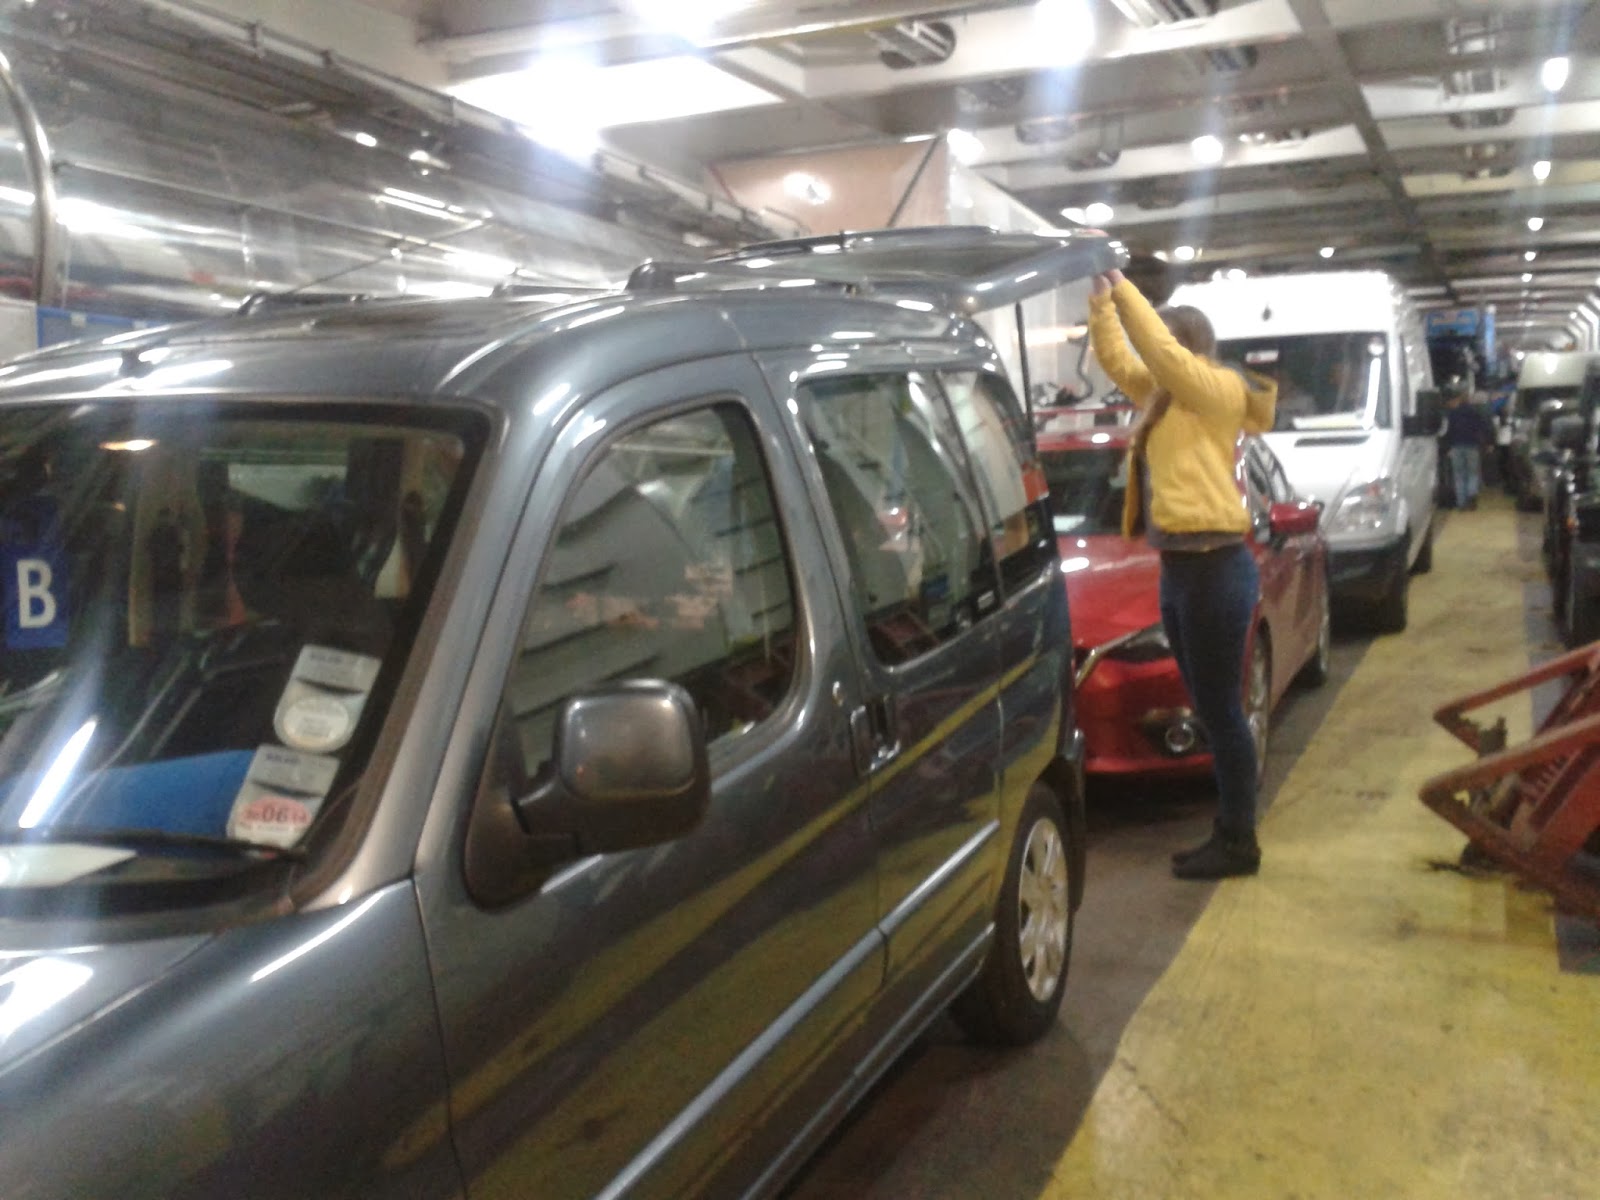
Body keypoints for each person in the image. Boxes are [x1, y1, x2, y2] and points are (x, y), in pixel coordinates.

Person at [1088, 268, 1277, 879]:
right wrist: (1101, 301)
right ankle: (1229, 829)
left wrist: (1124, 289)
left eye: (1166, 341)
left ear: (1186, 343)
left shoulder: (1218, 390)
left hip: (1216, 566)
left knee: (1221, 711)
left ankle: (1239, 839)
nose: (1154, 352)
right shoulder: (1165, 397)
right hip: (1180, 569)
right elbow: (1119, 358)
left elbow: (1157, 353)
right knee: (1208, 706)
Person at [1442, 387, 1492, 510]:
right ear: (1469, 400)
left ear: (1459, 400)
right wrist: (1488, 443)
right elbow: (1483, 428)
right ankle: (1471, 495)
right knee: (1472, 473)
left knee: (1459, 475)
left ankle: (1461, 502)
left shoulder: (1452, 414)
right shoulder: (1475, 413)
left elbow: (1448, 431)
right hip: (1472, 446)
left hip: (1456, 446)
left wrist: (1447, 447)